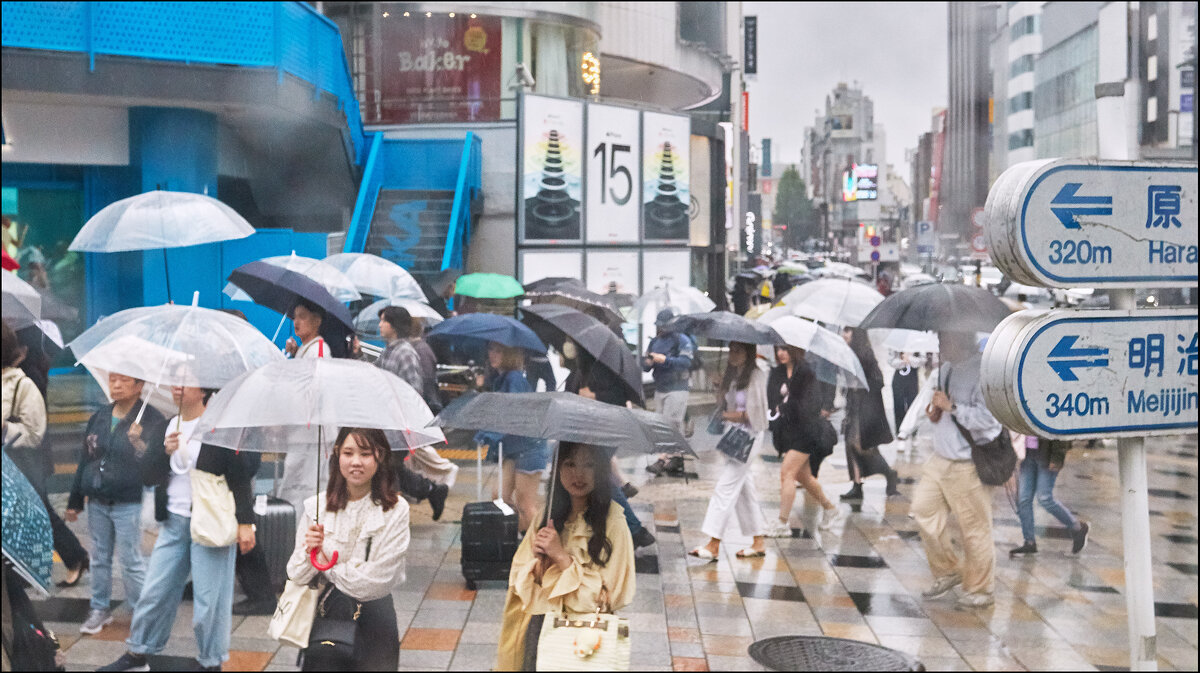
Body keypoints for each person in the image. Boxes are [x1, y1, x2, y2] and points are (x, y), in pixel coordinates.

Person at [98, 386, 257, 673]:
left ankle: (211, 663)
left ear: (204, 389)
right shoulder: (166, 426)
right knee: (154, 592)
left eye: (186, 381)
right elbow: (148, 475)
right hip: (173, 523)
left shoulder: (220, 428)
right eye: (175, 381)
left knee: (209, 605)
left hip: (210, 524)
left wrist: (246, 523)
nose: (177, 387)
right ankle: (138, 654)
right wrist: (161, 450)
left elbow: (241, 476)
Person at [495, 442, 636, 671]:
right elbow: (519, 578)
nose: (578, 474)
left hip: (584, 636)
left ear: (600, 470)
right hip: (539, 627)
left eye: (588, 465)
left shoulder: (614, 523)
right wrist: (537, 566)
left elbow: (611, 595)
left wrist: (562, 558)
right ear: (558, 468)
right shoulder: (547, 514)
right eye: (570, 464)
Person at [288, 428, 409, 671]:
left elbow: (375, 582)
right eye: (348, 453)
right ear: (337, 455)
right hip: (328, 614)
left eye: (365, 454)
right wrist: (310, 551)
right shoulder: (316, 507)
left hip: (376, 619)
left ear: (380, 456)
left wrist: (326, 565)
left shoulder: (396, 510)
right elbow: (296, 574)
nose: (356, 462)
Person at [67, 372, 167, 635]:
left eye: (124, 380)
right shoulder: (100, 416)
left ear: (140, 385)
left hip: (128, 500)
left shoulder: (153, 419)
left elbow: (156, 464)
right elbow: (85, 458)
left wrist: (138, 441)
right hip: (97, 498)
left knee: (131, 560)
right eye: (113, 380)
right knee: (99, 557)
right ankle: (99, 608)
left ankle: (142, 611)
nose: (116, 385)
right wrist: (75, 499)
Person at [911, 330, 1003, 609]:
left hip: (968, 463)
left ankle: (981, 588)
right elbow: (941, 408)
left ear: (961, 337)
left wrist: (952, 407)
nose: (939, 343)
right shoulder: (945, 369)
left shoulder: (983, 372)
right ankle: (948, 569)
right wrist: (936, 413)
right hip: (940, 458)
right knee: (922, 510)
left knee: (974, 529)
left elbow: (989, 419)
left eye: (944, 338)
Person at [3, 321, 91, 587]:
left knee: (39, 513)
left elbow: (33, 432)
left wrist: (5, 427)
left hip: (24, 462)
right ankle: (26, 570)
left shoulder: (26, 381)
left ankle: (73, 556)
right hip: (10, 465)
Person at [560, 341, 655, 550]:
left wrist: (595, 397)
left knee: (601, 480)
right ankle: (628, 530)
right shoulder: (581, 370)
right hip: (588, 433)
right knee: (601, 479)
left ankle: (636, 530)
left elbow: (619, 400)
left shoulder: (603, 369)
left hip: (604, 433)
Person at [689, 342, 769, 561]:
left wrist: (726, 416)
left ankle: (713, 544)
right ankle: (758, 541)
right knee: (745, 491)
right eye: (731, 350)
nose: (733, 355)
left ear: (748, 352)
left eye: (738, 351)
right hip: (734, 435)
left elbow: (754, 414)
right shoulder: (734, 374)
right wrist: (721, 388)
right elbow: (725, 405)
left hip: (749, 438)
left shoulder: (756, 375)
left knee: (725, 488)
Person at [372, 306, 449, 520]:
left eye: (383, 321)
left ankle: (392, 512)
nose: (380, 325)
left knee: (387, 468)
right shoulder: (389, 351)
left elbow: (413, 389)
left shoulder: (404, 353)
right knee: (390, 468)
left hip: (397, 424)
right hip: (387, 423)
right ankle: (431, 491)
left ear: (394, 326)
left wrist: (401, 417)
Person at [763, 345, 840, 537]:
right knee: (803, 476)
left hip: (806, 431)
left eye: (785, 349)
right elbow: (771, 399)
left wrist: (787, 404)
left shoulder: (806, 372)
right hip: (788, 432)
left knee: (786, 473)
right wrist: (779, 402)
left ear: (794, 350)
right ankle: (830, 508)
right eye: (778, 349)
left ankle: (782, 523)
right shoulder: (777, 372)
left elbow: (811, 405)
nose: (780, 353)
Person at [475, 342, 551, 532]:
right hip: (514, 448)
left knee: (526, 503)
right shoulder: (501, 378)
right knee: (499, 498)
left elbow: (514, 416)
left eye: (498, 351)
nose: (492, 354)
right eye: (491, 349)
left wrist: (491, 434)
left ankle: (538, 545)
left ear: (509, 354)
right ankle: (520, 533)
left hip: (529, 448)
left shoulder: (514, 379)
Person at [839, 327, 899, 501]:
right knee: (850, 445)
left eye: (848, 331)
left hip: (865, 408)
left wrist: (862, 384)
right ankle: (857, 485)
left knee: (862, 446)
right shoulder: (846, 354)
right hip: (853, 405)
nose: (844, 334)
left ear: (856, 333)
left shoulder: (865, 355)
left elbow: (879, 379)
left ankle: (889, 473)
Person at [1010, 437, 1089, 557]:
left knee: (1044, 498)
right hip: (1026, 453)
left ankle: (1077, 527)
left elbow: (1060, 430)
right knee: (1023, 499)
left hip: (1046, 453)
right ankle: (1029, 541)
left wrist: (1057, 457)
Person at [643, 308, 694, 476]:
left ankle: (662, 459)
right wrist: (649, 362)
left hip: (678, 387)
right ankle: (677, 456)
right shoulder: (655, 342)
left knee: (670, 423)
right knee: (663, 425)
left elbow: (685, 362)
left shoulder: (682, 340)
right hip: (661, 387)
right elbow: (645, 364)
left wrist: (665, 360)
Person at [889, 350, 924, 435]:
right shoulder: (896, 346)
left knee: (913, 405)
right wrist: (902, 361)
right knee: (898, 404)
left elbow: (922, 361)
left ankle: (913, 430)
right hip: (899, 377)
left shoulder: (918, 345)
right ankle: (900, 430)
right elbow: (891, 361)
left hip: (912, 378)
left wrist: (909, 359)